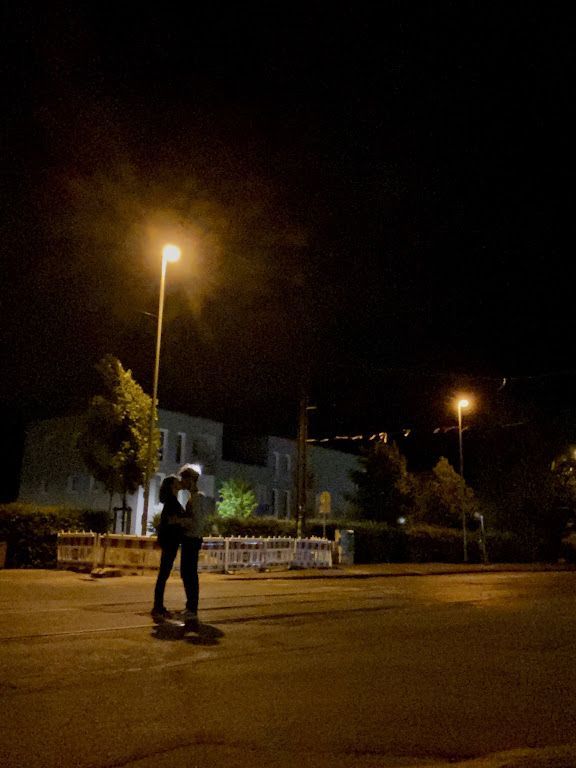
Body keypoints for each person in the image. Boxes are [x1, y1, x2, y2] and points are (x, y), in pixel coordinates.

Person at [178, 464, 213, 622]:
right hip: (192, 538)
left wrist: (180, 521)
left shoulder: (197, 498)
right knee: (188, 573)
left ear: (190, 480)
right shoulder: (195, 497)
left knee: (189, 573)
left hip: (191, 538)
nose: (182, 483)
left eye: (184, 479)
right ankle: (190, 606)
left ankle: (192, 607)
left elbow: (196, 521)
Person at [151, 474, 184, 620]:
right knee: (163, 575)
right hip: (170, 541)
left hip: (169, 541)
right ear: (172, 486)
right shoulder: (172, 502)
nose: (180, 483)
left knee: (163, 575)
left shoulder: (171, 502)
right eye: (177, 482)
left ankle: (158, 606)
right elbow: (172, 521)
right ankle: (158, 607)